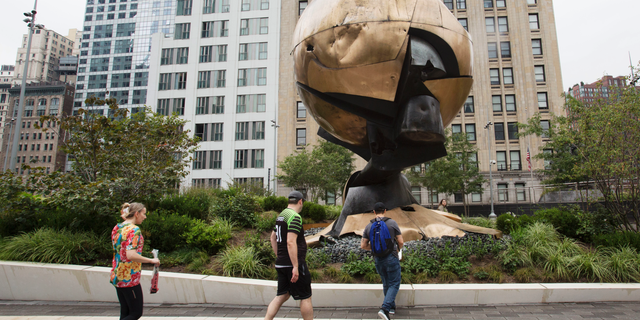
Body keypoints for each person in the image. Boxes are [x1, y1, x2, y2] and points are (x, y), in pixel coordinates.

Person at [264, 191, 313, 320]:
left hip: (281, 262)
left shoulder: (281, 216)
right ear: (300, 201)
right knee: (306, 297)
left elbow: (272, 238)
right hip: (293, 264)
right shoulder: (295, 217)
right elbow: (291, 242)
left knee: (282, 295)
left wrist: (278, 255)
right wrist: (295, 266)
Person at [110, 203, 160, 320]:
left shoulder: (118, 227)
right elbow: (131, 255)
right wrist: (152, 260)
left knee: (125, 312)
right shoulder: (134, 230)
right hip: (129, 278)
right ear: (136, 214)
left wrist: (126, 214)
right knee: (136, 313)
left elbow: (125, 219)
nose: (145, 217)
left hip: (117, 275)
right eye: (143, 213)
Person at [361, 202, 404, 320]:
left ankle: (391, 307)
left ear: (374, 212)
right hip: (391, 257)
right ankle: (385, 308)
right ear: (385, 211)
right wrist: (398, 249)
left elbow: (363, 245)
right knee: (394, 283)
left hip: (378, 259)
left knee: (386, 282)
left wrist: (374, 247)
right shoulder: (392, 223)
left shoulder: (369, 226)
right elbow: (400, 241)